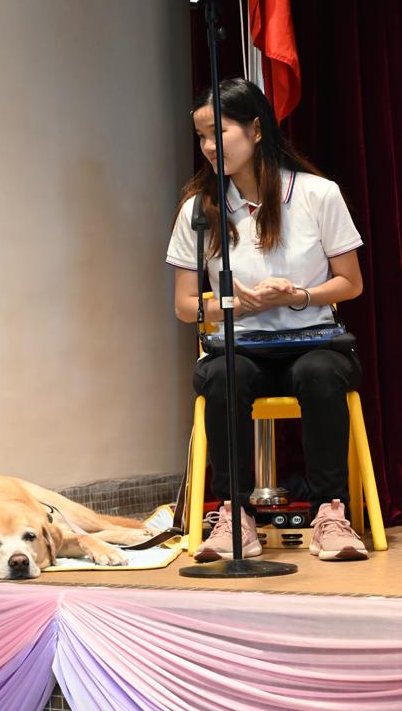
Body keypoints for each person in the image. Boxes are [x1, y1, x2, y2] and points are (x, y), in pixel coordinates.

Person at [166, 78, 368, 562]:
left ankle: (330, 513)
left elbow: (351, 283)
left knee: (319, 372)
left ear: (256, 130)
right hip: (241, 347)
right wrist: (234, 304)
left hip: (314, 342)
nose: (209, 147)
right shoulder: (199, 209)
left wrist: (299, 295)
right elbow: (186, 306)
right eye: (201, 136)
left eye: (219, 132)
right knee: (223, 375)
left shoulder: (318, 194)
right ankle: (234, 516)